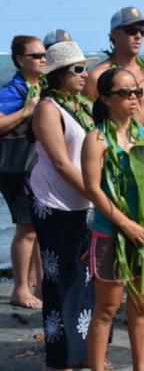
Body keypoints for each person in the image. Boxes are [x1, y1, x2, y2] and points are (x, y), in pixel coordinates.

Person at [82, 68, 144, 370]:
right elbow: (93, 189)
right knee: (106, 310)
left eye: (137, 92)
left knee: (142, 308)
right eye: (124, 92)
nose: (133, 97)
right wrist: (126, 225)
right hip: (109, 234)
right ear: (105, 98)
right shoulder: (97, 139)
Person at [29, 41, 99, 371]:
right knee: (59, 283)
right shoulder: (47, 108)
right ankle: (58, 361)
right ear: (58, 75)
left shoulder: (79, 105)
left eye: (85, 67)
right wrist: (97, 194)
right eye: (78, 69)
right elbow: (59, 161)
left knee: (84, 279)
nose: (85, 74)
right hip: (54, 204)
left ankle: (84, 352)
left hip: (82, 203)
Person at [0, 35, 45, 309]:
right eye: (36, 55)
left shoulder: (42, 85)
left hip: (36, 169)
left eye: (44, 55)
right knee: (27, 229)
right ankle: (19, 289)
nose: (43, 59)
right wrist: (25, 112)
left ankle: (40, 285)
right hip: (16, 171)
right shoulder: (11, 91)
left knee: (39, 228)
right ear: (20, 60)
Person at [83, 6, 144, 126]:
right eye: (131, 30)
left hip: (143, 143)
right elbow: (88, 122)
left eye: (142, 31)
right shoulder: (97, 76)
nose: (138, 36)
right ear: (114, 34)